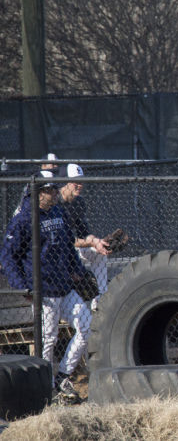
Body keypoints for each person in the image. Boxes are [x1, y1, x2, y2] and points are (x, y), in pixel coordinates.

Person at [0, 170, 91, 403]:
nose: (53, 192)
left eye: (53, 189)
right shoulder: (24, 219)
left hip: (65, 285)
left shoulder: (59, 211)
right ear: (38, 193)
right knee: (48, 340)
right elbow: (8, 256)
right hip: (44, 291)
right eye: (49, 190)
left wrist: (79, 272)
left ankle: (62, 375)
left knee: (87, 325)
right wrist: (22, 286)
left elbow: (68, 247)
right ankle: (49, 389)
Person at [57, 163, 112, 310]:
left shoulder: (79, 202)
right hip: (57, 252)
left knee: (99, 253)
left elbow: (83, 232)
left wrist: (97, 242)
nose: (80, 185)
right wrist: (91, 242)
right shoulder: (54, 202)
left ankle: (100, 299)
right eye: (76, 181)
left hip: (72, 249)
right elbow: (64, 240)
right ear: (66, 182)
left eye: (82, 181)